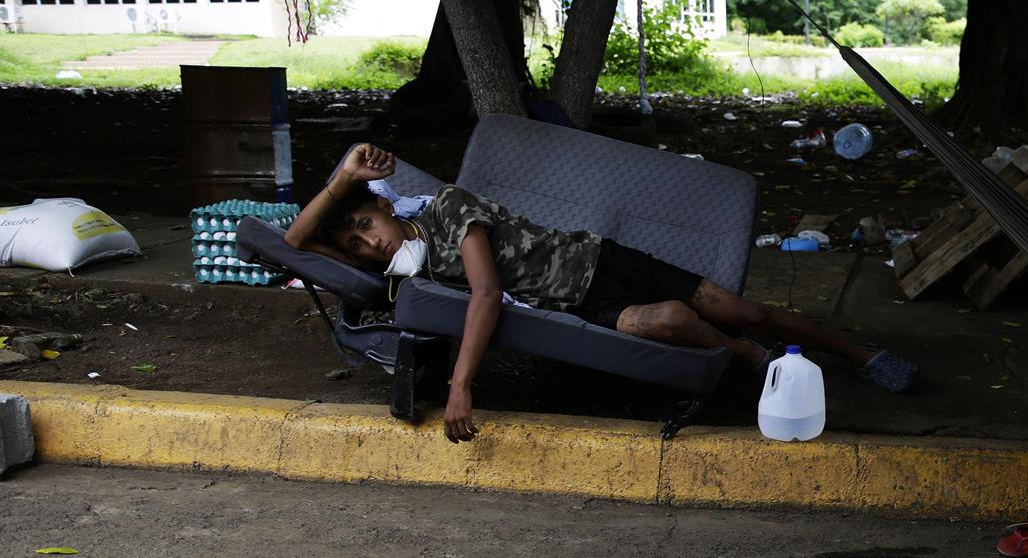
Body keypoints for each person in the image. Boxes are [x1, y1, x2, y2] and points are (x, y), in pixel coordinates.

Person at [286, 144, 916, 443]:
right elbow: (297, 237)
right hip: (581, 303)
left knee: (745, 309)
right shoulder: (407, 267)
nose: (368, 246)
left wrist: (460, 384)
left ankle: (858, 355)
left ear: (385, 206)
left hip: (606, 261)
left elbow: (485, 293)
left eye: (367, 225)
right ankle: (750, 357)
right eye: (357, 246)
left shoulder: (449, 208)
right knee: (669, 321)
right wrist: (340, 175)